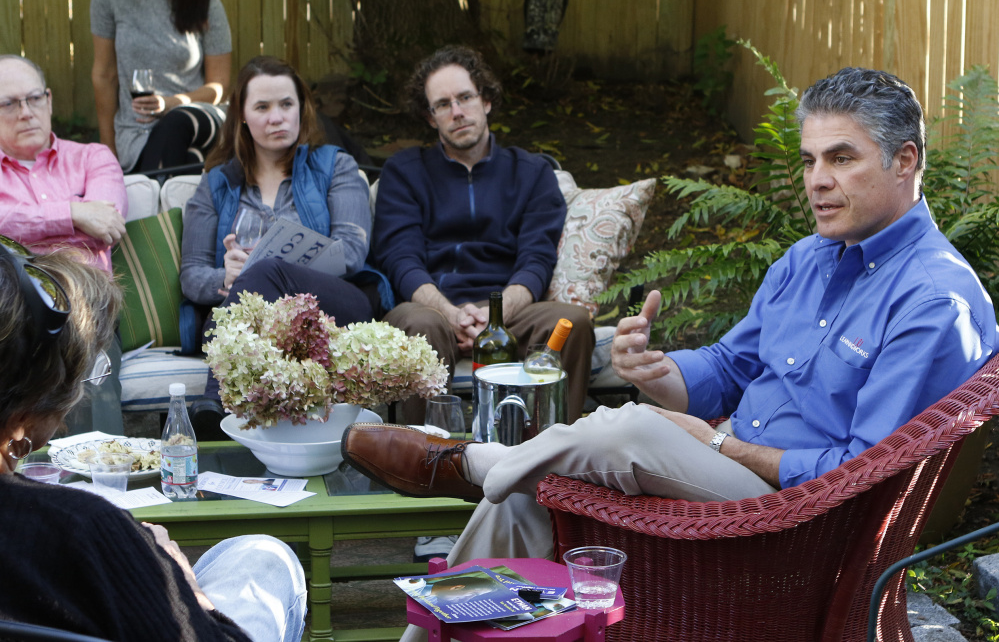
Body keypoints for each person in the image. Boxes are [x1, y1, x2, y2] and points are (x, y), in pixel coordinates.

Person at [343, 67, 998, 640]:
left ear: (904, 161)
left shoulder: (932, 300)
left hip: (794, 529)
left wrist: (718, 448)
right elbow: (730, 368)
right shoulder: (808, 259)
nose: (816, 182)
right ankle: (445, 592)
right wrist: (655, 371)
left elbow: (857, 477)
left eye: (840, 159)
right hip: (730, 482)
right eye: (806, 161)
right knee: (521, 494)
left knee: (625, 428)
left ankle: (472, 460)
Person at [0, 243, 307, 641]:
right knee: (269, 557)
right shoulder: (87, 531)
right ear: (24, 417)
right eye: (80, 377)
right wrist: (181, 584)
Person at [373, 45, 594, 425]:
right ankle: (424, 463)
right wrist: (452, 314)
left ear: (487, 100)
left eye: (465, 98)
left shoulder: (533, 173)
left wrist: (495, 319)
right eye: (443, 104)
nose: (457, 112)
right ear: (430, 118)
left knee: (572, 322)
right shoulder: (405, 172)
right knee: (419, 325)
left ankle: (551, 458)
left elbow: (536, 259)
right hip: (432, 309)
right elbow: (400, 259)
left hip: (511, 311)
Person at [180, 55, 376, 438]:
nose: (277, 117)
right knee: (255, 282)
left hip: (335, 310)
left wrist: (265, 270)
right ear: (241, 116)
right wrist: (227, 276)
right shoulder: (216, 185)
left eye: (287, 104)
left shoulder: (335, 166)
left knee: (265, 270)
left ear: (302, 109)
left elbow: (352, 252)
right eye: (263, 107)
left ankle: (215, 402)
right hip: (253, 322)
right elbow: (191, 275)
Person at [0, 54, 127, 435]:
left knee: (82, 340)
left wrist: (26, 230)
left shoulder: (93, 157)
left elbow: (108, 221)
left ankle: (97, 477)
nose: (26, 112)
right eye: (8, 103)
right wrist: (74, 213)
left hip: (87, 302)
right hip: (11, 307)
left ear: (50, 100)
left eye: (34, 99)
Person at [90, 0, 231, 174]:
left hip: (200, 118)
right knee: (189, 158)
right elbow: (104, 75)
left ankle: (155, 202)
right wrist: (108, 153)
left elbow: (220, 87)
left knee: (176, 122)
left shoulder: (207, 2)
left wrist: (170, 104)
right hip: (138, 133)